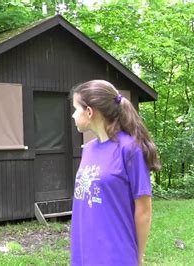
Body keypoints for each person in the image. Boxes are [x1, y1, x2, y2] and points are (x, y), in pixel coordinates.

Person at [70, 80, 161, 266]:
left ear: (89, 111)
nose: (72, 115)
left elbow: (144, 209)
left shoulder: (130, 149)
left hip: (116, 255)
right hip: (84, 253)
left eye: (76, 109)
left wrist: (138, 257)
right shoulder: (88, 150)